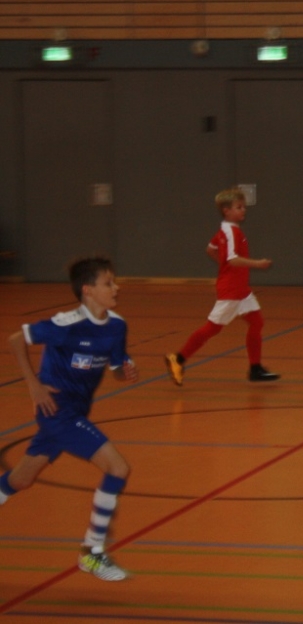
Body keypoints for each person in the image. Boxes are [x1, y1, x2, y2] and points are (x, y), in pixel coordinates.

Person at [2, 256, 136, 580]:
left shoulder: (116, 326)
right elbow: (16, 339)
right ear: (88, 290)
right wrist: (34, 385)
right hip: (56, 411)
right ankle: (92, 552)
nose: (116, 287)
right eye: (108, 283)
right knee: (117, 468)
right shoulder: (66, 324)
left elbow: (116, 368)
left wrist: (124, 371)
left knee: (20, 480)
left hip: (76, 411)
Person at [164, 186, 280, 385]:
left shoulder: (225, 230)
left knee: (257, 322)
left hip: (241, 290)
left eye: (243, 206)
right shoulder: (231, 232)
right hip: (232, 290)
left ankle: (255, 369)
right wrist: (257, 264)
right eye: (239, 207)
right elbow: (232, 259)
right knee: (212, 328)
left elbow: (210, 249)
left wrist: (224, 266)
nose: (243, 210)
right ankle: (178, 359)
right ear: (227, 210)